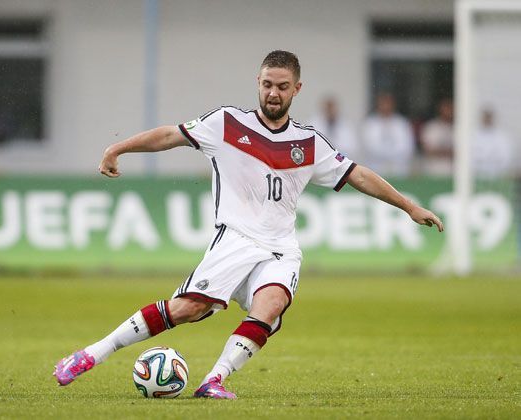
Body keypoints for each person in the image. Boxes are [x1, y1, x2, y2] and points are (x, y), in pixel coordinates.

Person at [53, 50, 444, 399]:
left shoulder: (309, 143)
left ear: (297, 89)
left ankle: (214, 380)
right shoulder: (226, 124)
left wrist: (408, 206)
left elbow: (358, 174)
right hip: (235, 240)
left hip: (280, 247)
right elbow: (170, 135)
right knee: (187, 308)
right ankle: (91, 354)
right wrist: (117, 148)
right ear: (258, 84)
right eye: (268, 84)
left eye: (283, 87)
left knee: (271, 305)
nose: (274, 93)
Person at [362, 93, 415, 177]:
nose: (386, 106)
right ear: (379, 105)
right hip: (376, 168)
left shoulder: (401, 123)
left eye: (388, 104)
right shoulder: (371, 123)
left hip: (398, 168)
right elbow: (369, 146)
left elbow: (407, 146)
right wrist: (385, 154)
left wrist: (392, 155)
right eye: (383, 104)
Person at [308, 96, 360, 161]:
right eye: (327, 108)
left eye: (332, 108)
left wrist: (336, 158)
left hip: (340, 162)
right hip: (319, 163)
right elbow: (311, 147)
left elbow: (351, 147)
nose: (330, 111)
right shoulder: (314, 123)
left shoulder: (346, 124)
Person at [473, 108, 514, 179]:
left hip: (497, 175)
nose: (487, 119)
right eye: (486, 117)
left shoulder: (501, 137)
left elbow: (506, 157)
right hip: (476, 175)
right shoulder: (473, 135)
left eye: (489, 117)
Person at [421, 98, 454, 176]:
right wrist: (449, 152)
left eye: (450, 108)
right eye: (446, 108)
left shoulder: (459, 128)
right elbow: (428, 150)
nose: (449, 111)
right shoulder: (431, 127)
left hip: (454, 172)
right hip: (434, 171)